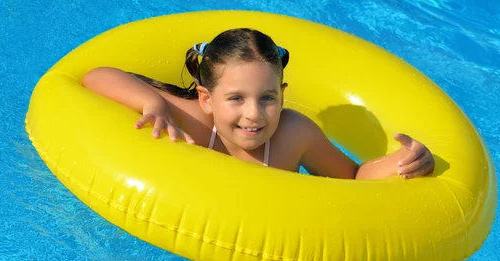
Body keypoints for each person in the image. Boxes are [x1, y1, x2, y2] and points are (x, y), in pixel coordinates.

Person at [82, 28, 435, 179]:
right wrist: (150, 103)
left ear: (282, 94)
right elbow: (96, 76)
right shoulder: (191, 119)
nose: (254, 114)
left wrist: (402, 162)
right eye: (236, 98)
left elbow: (353, 176)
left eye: (268, 98)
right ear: (206, 99)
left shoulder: (294, 134)